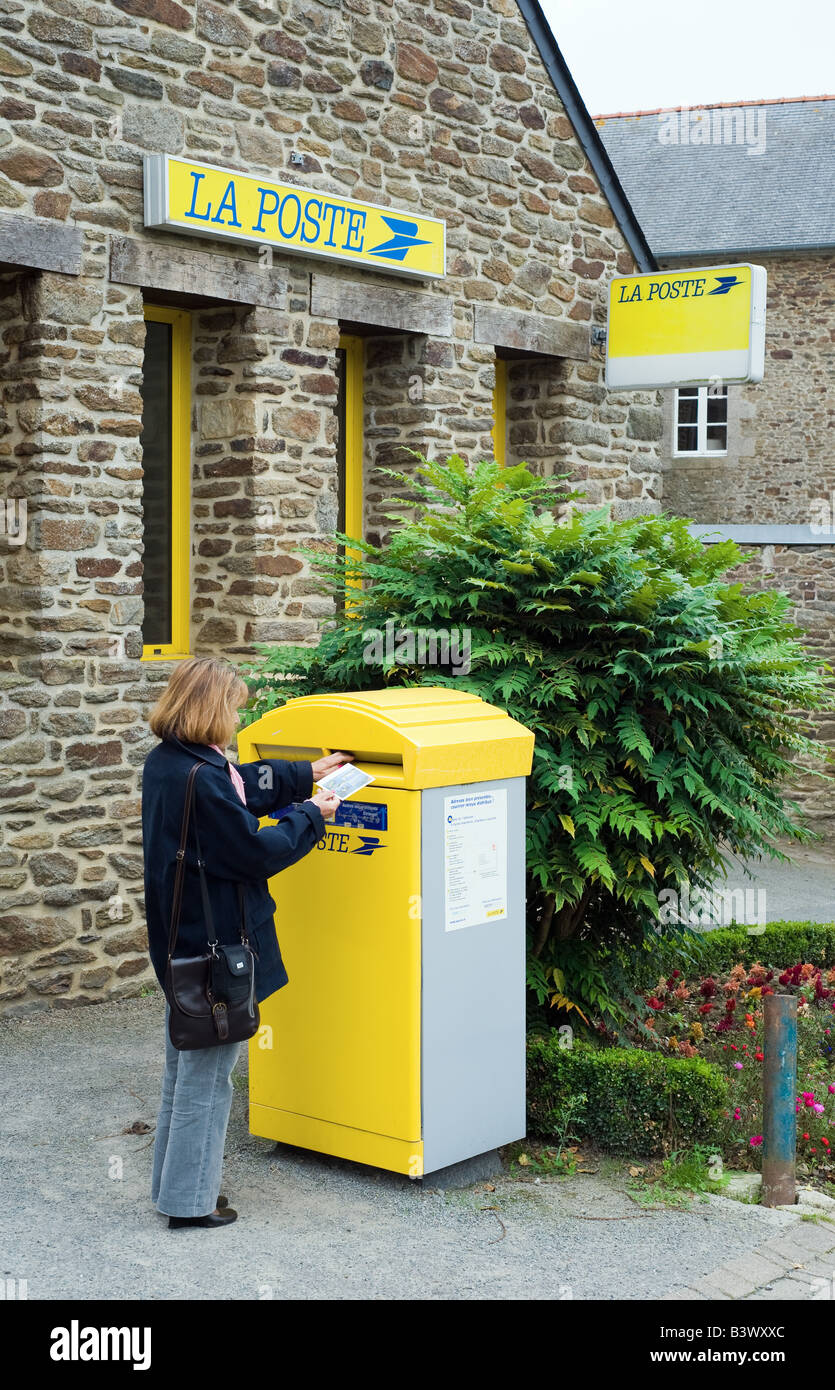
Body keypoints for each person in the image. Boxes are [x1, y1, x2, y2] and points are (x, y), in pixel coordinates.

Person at [141, 656, 349, 1230]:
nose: (238, 716)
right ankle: (190, 1204)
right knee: (208, 1080)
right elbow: (253, 851)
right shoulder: (203, 777)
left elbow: (241, 787)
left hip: (179, 944)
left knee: (183, 1070)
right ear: (212, 708)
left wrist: (307, 773)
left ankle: (175, 1187)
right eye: (234, 705)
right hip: (214, 951)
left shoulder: (171, 763)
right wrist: (312, 814)